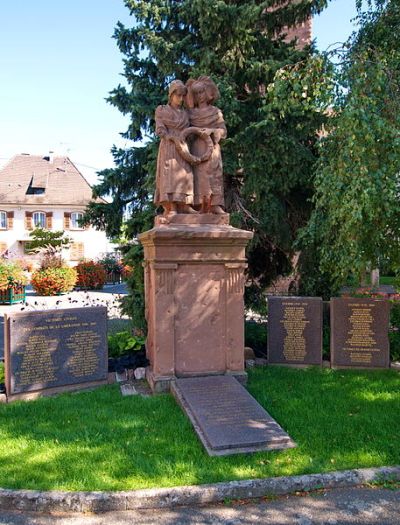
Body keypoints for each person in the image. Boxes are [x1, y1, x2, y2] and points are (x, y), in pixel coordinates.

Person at [154, 80, 197, 216]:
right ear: (171, 95)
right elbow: (160, 129)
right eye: (178, 95)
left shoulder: (185, 114)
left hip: (183, 146)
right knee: (170, 175)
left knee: (186, 173)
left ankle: (185, 204)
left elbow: (190, 130)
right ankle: (171, 206)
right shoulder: (162, 110)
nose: (180, 99)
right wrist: (171, 137)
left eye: (183, 96)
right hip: (169, 146)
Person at [186, 76, 227, 214]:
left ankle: (215, 205)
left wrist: (212, 131)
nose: (200, 96)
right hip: (196, 149)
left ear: (208, 92)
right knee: (197, 177)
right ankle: (198, 205)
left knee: (214, 176)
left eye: (202, 92)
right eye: (196, 93)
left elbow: (223, 131)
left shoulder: (215, 112)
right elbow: (185, 131)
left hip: (213, 149)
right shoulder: (190, 114)